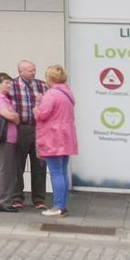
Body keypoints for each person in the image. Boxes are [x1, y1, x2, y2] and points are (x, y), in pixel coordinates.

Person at [0, 60, 42, 212]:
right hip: (19, 129)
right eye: (30, 70)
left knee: (38, 164)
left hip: (37, 127)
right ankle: (14, 197)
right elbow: (10, 115)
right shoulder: (9, 89)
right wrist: (15, 117)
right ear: (21, 72)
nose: (33, 72)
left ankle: (38, 198)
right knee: (15, 166)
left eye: (34, 69)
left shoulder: (41, 85)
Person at [37, 64, 79, 217]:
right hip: (66, 136)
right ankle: (63, 205)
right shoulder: (67, 92)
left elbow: (42, 115)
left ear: (51, 78)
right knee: (62, 172)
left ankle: (58, 206)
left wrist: (37, 107)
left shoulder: (52, 94)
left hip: (53, 137)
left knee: (55, 173)